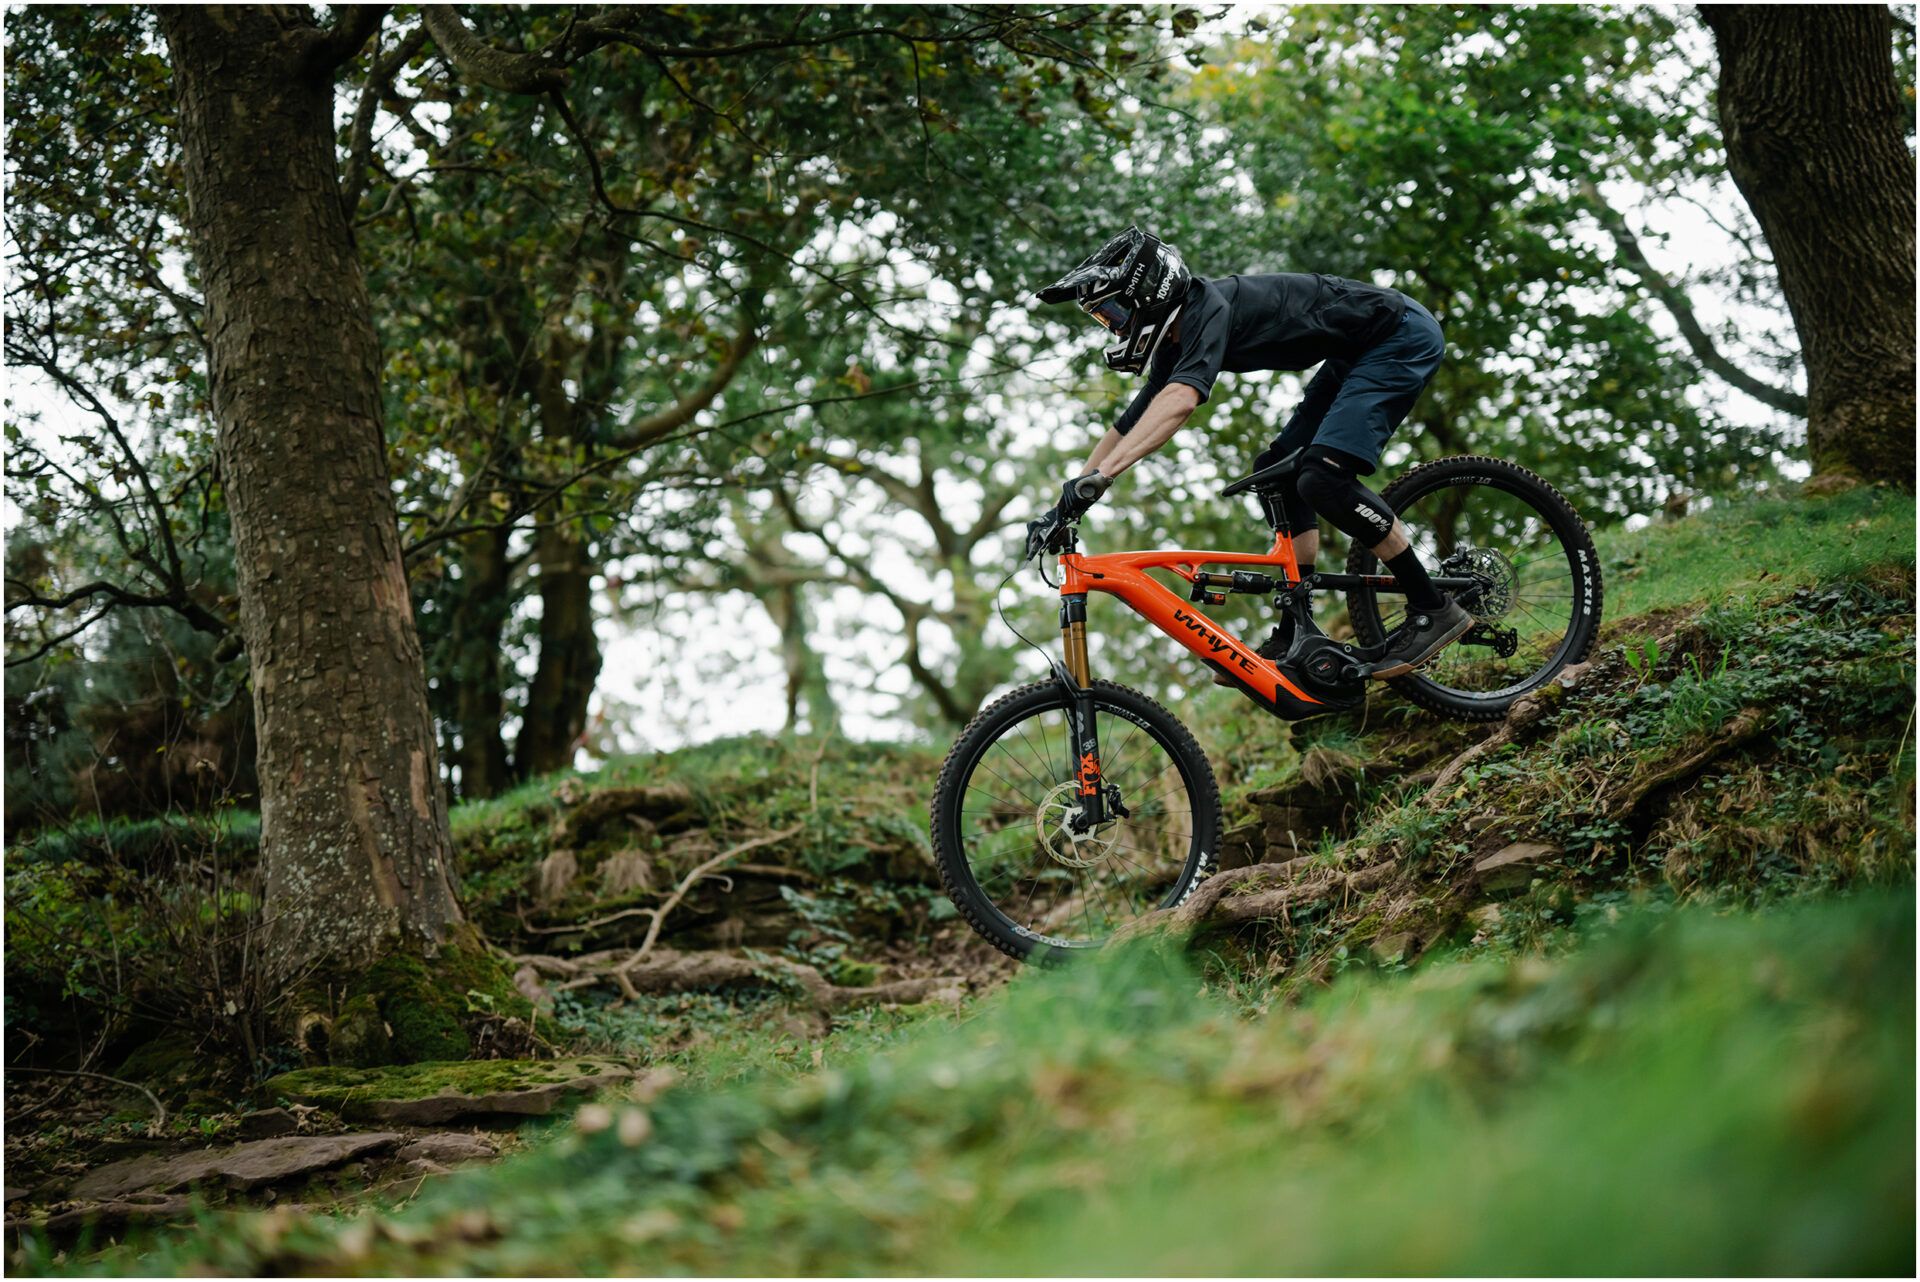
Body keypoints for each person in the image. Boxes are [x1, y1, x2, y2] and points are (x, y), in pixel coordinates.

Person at [1030, 226, 1470, 681]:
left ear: (1149, 293)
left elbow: (1180, 401)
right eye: (1105, 319)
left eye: (1115, 312)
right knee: (1275, 473)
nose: (1117, 326)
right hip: (1354, 353)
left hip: (1399, 334)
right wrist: (1066, 502)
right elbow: (1128, 426)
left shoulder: (1205, 308)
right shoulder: (1175, 342)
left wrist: (1102, 477)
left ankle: (1433, 606)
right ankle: (1297, 630)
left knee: (1323, 476)